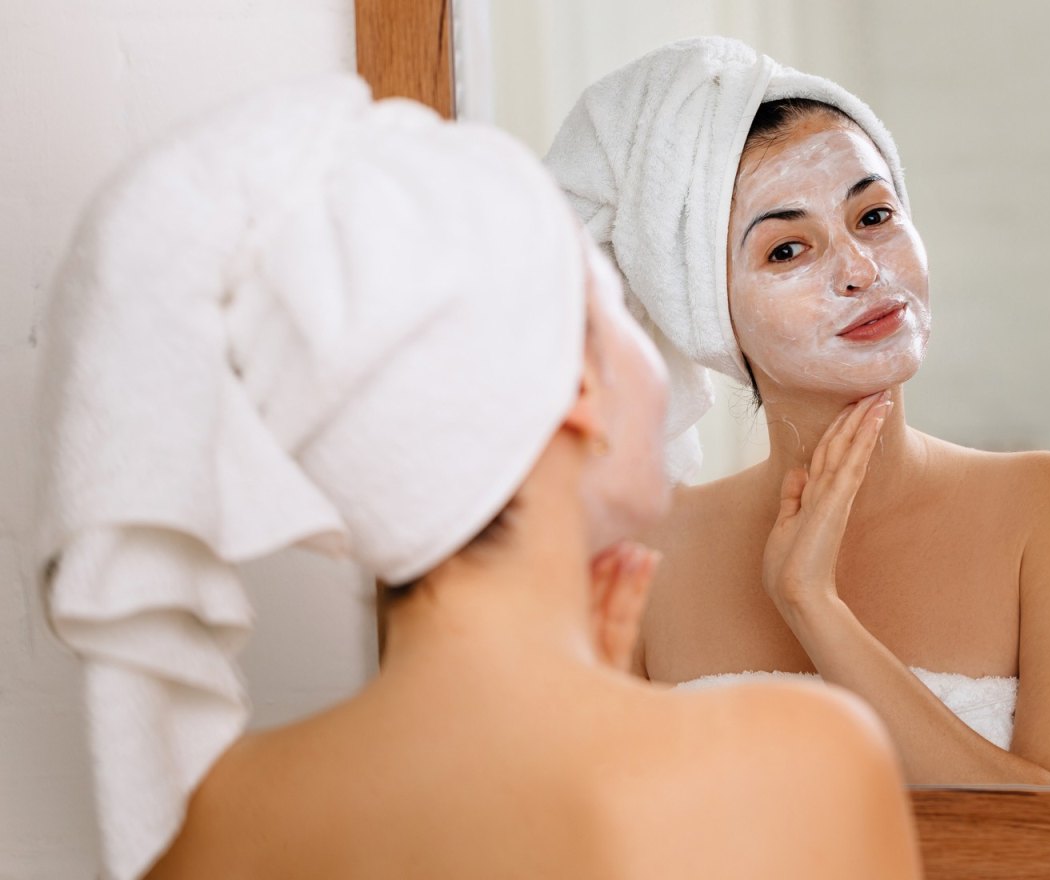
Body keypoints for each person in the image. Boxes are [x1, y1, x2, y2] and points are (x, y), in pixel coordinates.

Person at [37, 76, 921, 880]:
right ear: (576, 388)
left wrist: (595, 688)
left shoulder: (226, 820)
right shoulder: (800, 765)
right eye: (616, 311)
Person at [546, 37, 1050, 785]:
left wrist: (811, 605)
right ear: (706, 308)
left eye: (875, 214)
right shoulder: (648, 554)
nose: (862, 270)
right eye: (788, 250)